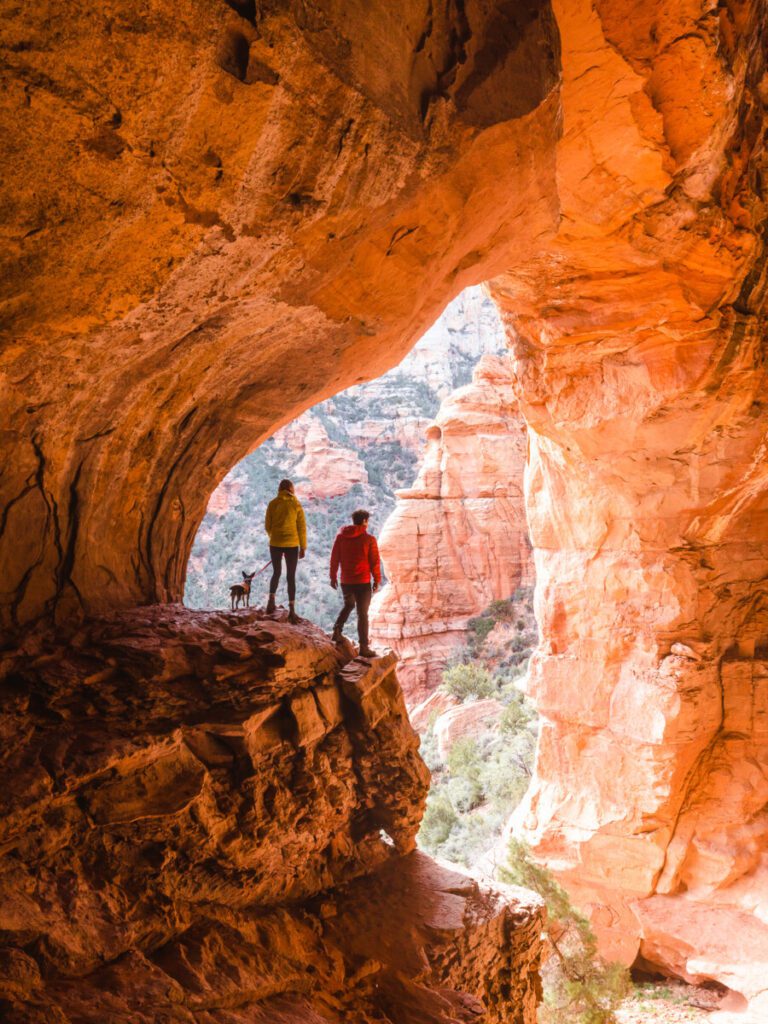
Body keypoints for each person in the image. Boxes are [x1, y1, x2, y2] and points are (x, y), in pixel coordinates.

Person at [330, 509, 381, 658]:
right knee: (362, 614)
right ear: (365, 521)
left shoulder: (341, 537)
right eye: (367, 520)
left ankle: (337, 630)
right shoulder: (369, 539)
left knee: (349, 605)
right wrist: (377, 580)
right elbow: (374, 562)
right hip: (362, 582)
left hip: (346, 580)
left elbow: (335, 558)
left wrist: (333, 576)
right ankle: (364, 648)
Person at [265, 479, 306, 623]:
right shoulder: (296, 504)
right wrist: (303, 546)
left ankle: (271, 602)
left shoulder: (273, 503)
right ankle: (292, 610)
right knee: (290, 576)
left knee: (276, 572)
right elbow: (301, 528)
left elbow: (267, 525)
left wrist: (274, 537)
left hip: (275, 543)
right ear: (290, 489)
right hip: (292, 545)